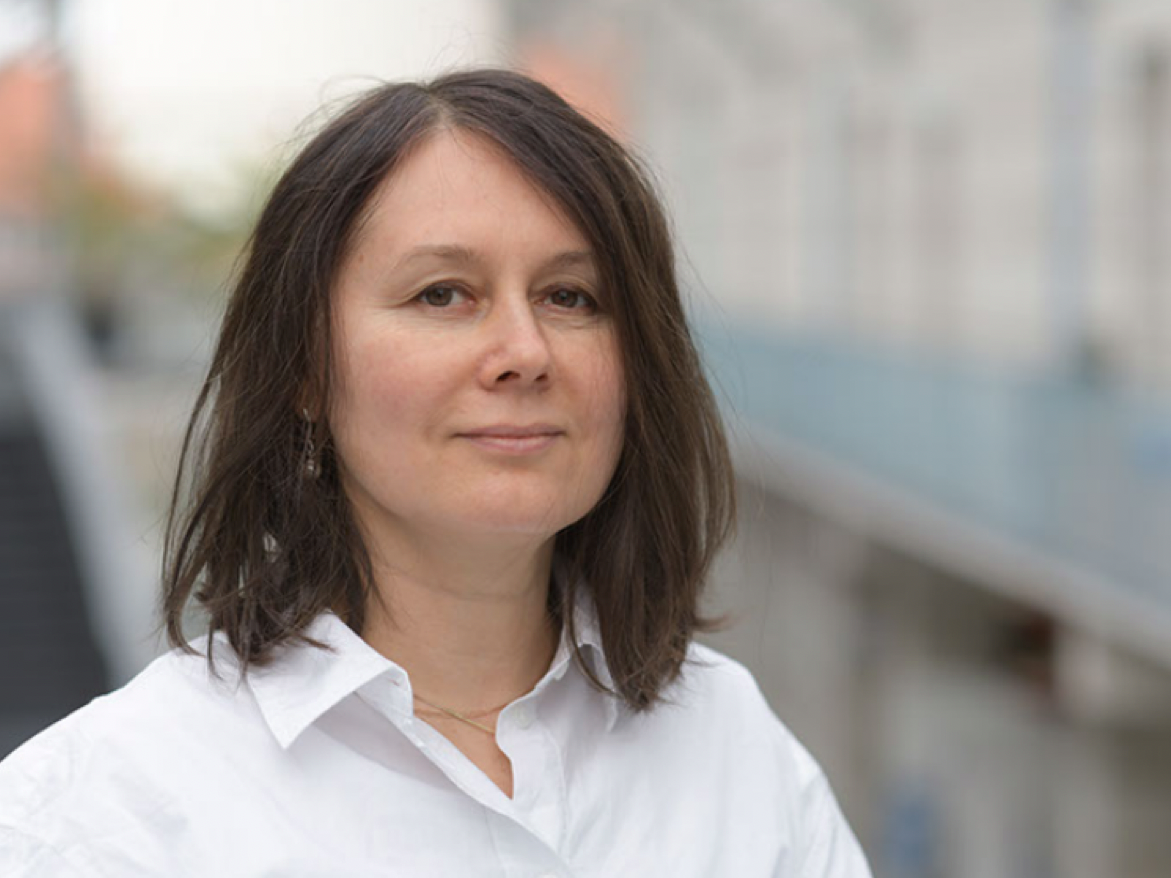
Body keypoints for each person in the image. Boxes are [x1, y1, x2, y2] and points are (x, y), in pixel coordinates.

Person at [0, 68, 872, 876]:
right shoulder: (99, 815)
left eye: (569, 297)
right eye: (443, 294)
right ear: (304, 369)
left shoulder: (736, 752)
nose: (524, 352)